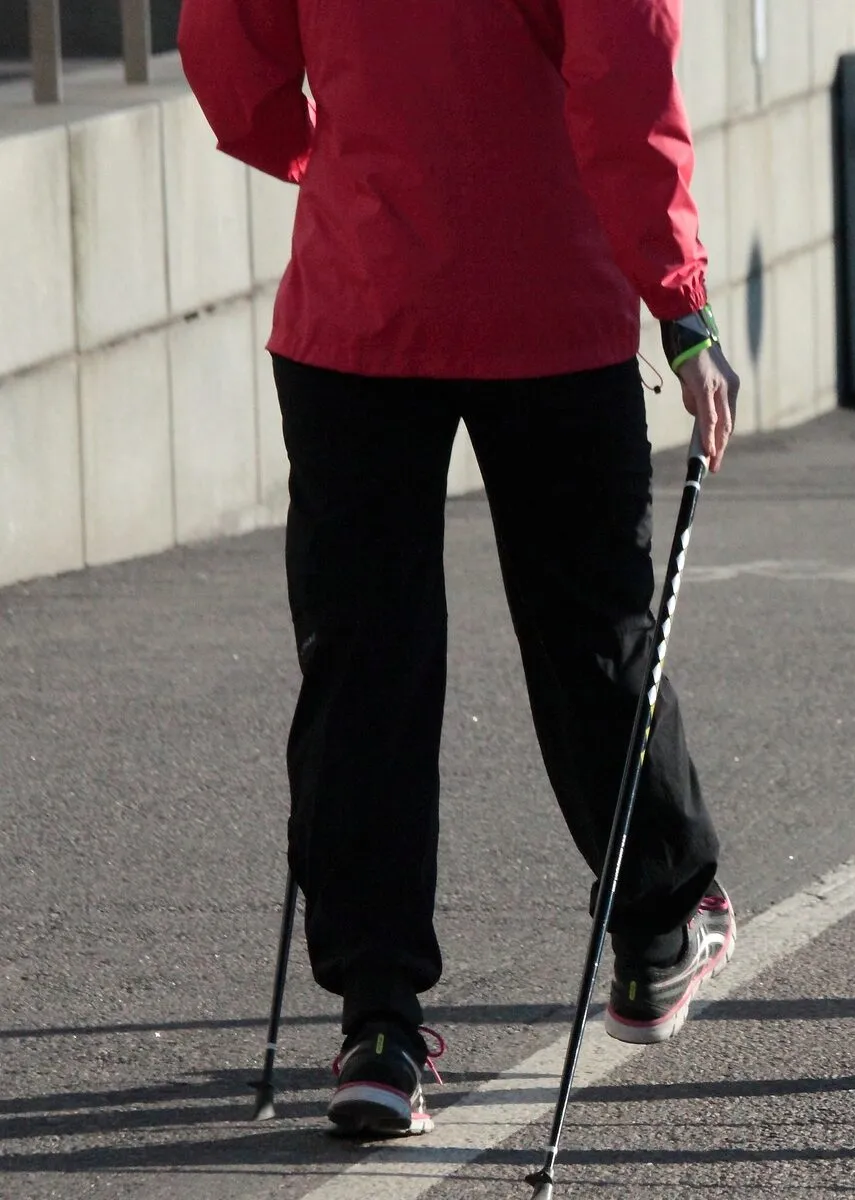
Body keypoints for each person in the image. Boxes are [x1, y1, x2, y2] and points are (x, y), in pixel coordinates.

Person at [178, 0, 741, 1138]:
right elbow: (625, 81)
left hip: (358, 298)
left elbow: (229, 60)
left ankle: (378, 1023)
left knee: (362, 665)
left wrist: (334, 157)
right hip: (548, 304)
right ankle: (656, 917)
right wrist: (680, 304)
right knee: (590, 631)